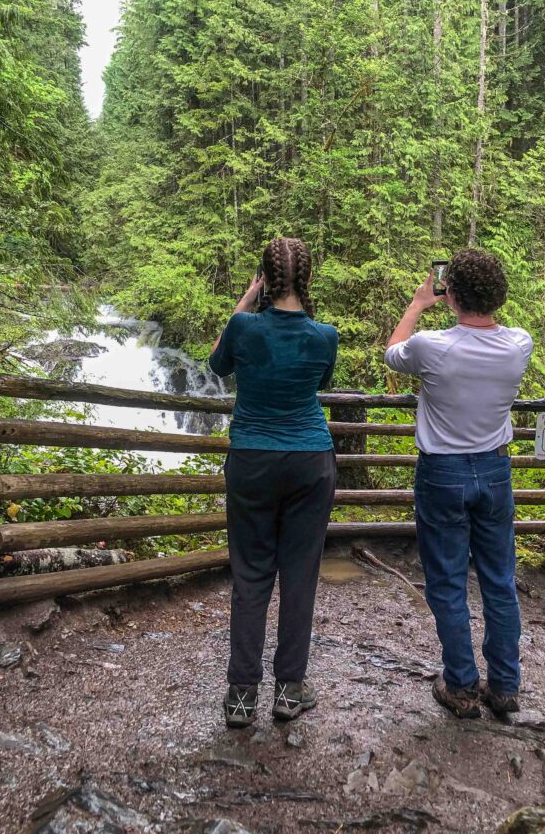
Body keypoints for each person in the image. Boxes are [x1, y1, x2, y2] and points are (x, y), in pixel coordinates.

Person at [384, 249, 533, 719]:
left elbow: (392, 352)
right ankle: (505, 686)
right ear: (498, 295)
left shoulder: (432, 346)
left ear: (452, 294)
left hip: (442, 473)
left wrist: (417, 304)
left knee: (447, 583)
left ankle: (462, 685)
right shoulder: (519, 345)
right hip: (494, 470)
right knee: (499, 581)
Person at [209, 237, 339, 727]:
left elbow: (217, 365)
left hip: (251, 459)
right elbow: (320, 383)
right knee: (299, 574)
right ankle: (289, 689)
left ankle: (242, 694)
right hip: (310, 459)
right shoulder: (325, 335)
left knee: (251, 574)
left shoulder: (243, 327)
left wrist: (245, 300)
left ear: (264, 276)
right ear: (308, 278)